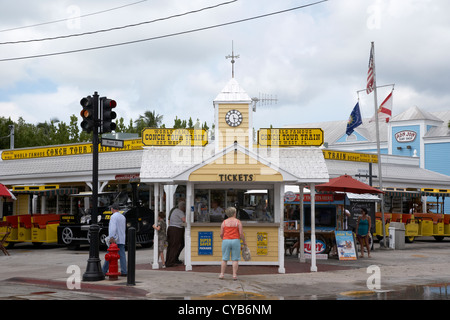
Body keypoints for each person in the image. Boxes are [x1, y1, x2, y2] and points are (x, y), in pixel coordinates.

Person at [219, 207, 246, 280]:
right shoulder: (238, 222)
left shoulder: (224, 222)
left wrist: (223, 238)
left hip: (226, 240)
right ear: (234, 213)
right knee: (235, 259)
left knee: (224, 258)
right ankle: (234, 275)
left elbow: (221, 234)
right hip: (235, 240)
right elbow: (241, 234)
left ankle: (222, 274)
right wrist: (244, 242)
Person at [102, 204, 127, 276]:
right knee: (122, 255)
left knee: (109, 254)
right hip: (121, 238)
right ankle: (124, 270)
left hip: (115, 239)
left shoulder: (113, 217)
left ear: (112, 209)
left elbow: (113, 228)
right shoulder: (122, 217)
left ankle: (104, 270)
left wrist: (111, 237)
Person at [165, 201, 186, 267]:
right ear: (183, 207)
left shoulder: (175, 210)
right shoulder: (180, 212)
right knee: (175, 246)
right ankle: (170, 262)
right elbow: (185, 220)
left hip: (171, 228)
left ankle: (170, 260)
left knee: (171, 246)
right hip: (176, 229)